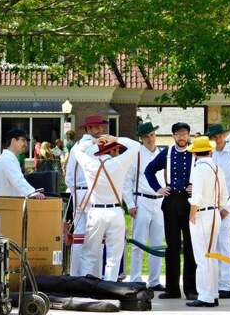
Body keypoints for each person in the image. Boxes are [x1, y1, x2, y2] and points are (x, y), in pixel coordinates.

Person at [73, 134, 140, 281]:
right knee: (113, 257)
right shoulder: (119, 163)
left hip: (96, 212)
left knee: (89, 254)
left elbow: (77, 151)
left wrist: (92, 141)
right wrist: (116, 139)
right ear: (113, 151)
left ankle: (87, 288)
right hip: (115, 212)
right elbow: (136, 146)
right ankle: (109, 288)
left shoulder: (90, 164)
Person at [144, 122, 197, 300]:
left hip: (190, 203)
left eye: (185, 133)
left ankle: (191, 289)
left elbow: (206, 174)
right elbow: (149, 171)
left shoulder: (196, 153)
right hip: (171, 203)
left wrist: (195, 187)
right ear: (173, 135)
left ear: (189, 135)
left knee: (190, 246)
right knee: (172, 246)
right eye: (178, 134)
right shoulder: (166, 153)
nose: (182, 137)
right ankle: (172, 289)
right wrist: (158, 188)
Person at [122, 122, 165, 291]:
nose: (150, 139)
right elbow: (127, 181)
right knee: (139, 243)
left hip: (160, 201)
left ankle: (154, 281)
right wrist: (130, 204)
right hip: (142, 201)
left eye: (152, 135)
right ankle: (136, 279)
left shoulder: (162, 154)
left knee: (157, 243)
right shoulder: (136, 155)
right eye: (146, 136)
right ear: (142, 138)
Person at [186, 136, 228, 308]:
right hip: (214, 213)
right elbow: (224, 195)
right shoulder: (217, 168)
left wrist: (192, 215)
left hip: (202, 214)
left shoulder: (198, 169)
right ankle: (212, 294)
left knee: (202, 258)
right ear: (210, 151)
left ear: (195, 153)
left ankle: (205, 296)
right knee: (211, 256)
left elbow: (196, 196)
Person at [64, 115, 108, 276]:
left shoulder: (76, 146)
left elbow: (68, 176)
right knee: (96, 235)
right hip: (93, 192)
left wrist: (77, 194)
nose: (100, 130)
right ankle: (94, 276)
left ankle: (76, 274)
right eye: (97, 127)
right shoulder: (95, 147)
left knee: (79, 235)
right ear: (89, 129)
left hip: (78, 191)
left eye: (101, 127)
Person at [207, 124, 230, 300]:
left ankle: (226, 285)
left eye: (220, 136)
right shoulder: (209, 154)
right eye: (214, 137)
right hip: (209, 206)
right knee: (211, 245)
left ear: (224, 136)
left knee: (224, 243)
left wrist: (227, 207)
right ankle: (214, 283)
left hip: (226, 206)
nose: (218, 139)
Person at [0, 128, 45, 198]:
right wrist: (32, 192)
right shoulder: (8, 159)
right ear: (13, 141)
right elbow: (18, 179)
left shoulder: (2, 158)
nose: (26, 144)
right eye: (23, 140)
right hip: (11, 205)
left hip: (4, 205)